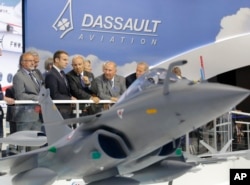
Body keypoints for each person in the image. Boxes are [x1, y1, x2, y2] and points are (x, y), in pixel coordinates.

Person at [12, 52, 43, 133]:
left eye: (33, 60)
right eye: (29, 60)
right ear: (22, 62)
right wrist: (36, 98)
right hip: (25, 115)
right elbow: (20, 96)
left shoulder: (35, 74)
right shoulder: (18, 76)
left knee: (36, 143)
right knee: (24, 143)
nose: (33, 63)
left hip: (37, 114)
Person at [45, 50, 76, 119]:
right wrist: (69, 99)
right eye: (64, 60)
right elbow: (54, 95)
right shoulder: (51, 74)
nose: (67, 62)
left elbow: (66, 90)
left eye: (67, 60)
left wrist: (71, 97)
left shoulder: (62, 73)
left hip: (66, 110)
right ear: (56, 60)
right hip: (58, 111)